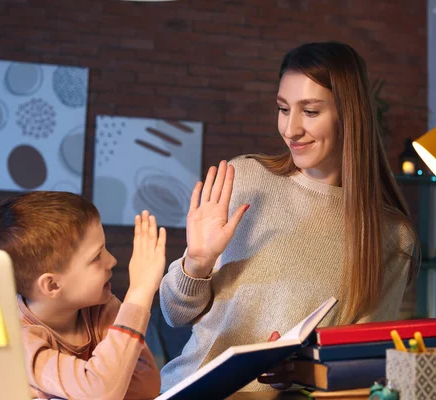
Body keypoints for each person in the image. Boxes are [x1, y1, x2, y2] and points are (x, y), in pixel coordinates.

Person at [159, 41, 419, 392]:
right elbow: (174, 314)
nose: (290, 129)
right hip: (184, 390)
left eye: (310, 112)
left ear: (349, 115)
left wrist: (300, 372)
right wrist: (196, 263)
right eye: (283, 109)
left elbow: (366, 373)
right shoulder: (245, 179)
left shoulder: (390, 235)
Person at [0, 191, 166, 399]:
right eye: (96, 256)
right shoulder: (19, 339)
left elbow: (146, 387)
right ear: (53, 285)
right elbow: (101, 392)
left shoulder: (102, 308)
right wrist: (140, 291)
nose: (112, 261)